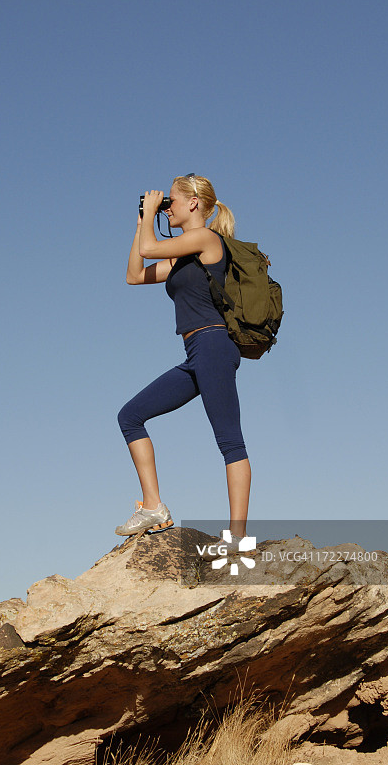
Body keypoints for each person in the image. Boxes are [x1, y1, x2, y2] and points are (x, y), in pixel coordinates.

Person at [116, 174, 250, 543]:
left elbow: (148, 248)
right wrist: (140, 222)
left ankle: (238, 537)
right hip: (195, 353)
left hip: (214, 346)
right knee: (130, 416)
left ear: (193, 202)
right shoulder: (179, 254)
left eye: (170, 201)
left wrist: (148, 222)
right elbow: (133, 275)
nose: (167, 207)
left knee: (230, 442)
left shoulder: (206, 239)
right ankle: (153, 507)